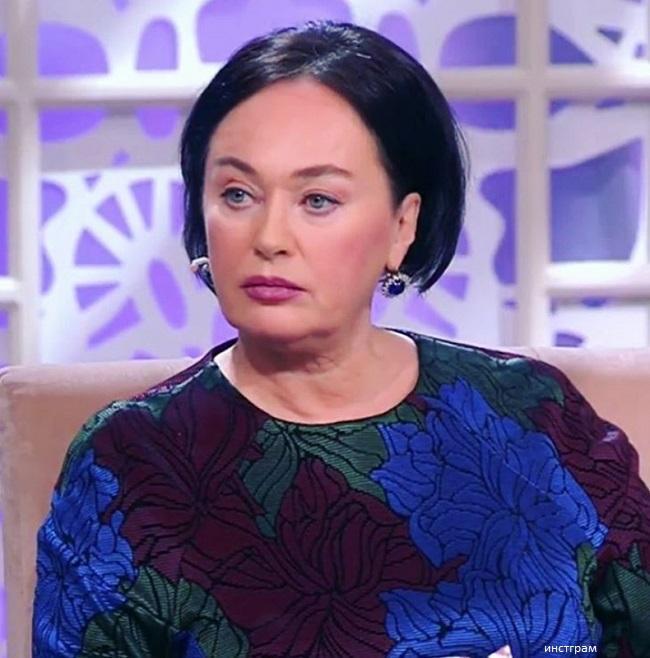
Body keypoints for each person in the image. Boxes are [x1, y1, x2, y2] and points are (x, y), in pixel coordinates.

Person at [32, 19, 649, 658]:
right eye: (237, 194)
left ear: (402, 226)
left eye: (318, 200)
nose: (269, 238)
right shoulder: (130, 461)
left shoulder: (536, 418)